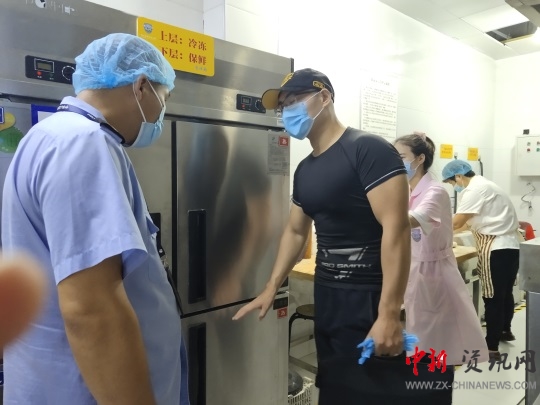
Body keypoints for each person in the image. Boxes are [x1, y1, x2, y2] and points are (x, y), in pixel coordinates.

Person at [1, 33, 189, 405]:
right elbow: (91, 311)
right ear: (141, 87)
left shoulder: (47, 136)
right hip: (83, 390)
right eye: (164, 99)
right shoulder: (83, 144)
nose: (161, 114)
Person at [233, 69, 411, 396]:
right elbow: (295, 231)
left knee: (371, 392)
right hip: (327, 294)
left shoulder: (368, 149)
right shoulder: (305, 169)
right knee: (334, 387)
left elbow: (396, 230)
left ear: (324, 97)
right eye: (282, 106)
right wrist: (271, 287)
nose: (286, 111)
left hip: (368, 296)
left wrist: (388, 313)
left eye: (293, 101)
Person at [393, 133, 488, 373]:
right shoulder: (408, 190)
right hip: (416, 271)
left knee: (436, 346)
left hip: (434, 275)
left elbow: (411, 219)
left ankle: (434, 384)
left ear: (420, 159)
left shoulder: (435, 191)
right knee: (422, 341)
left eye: (401, 157)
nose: (396, 162)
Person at [442, 159, 521, 361]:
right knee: (505, 294)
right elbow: (468, 223)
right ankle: (505, 330)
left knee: (492, 296)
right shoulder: (487, 185)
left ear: (458, 176)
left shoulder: (473, 190)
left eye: (451, 183)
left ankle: (491, 347)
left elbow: (457, 222)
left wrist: (434, 231)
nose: (453, 186)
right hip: (511, 246)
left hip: (494, 248)